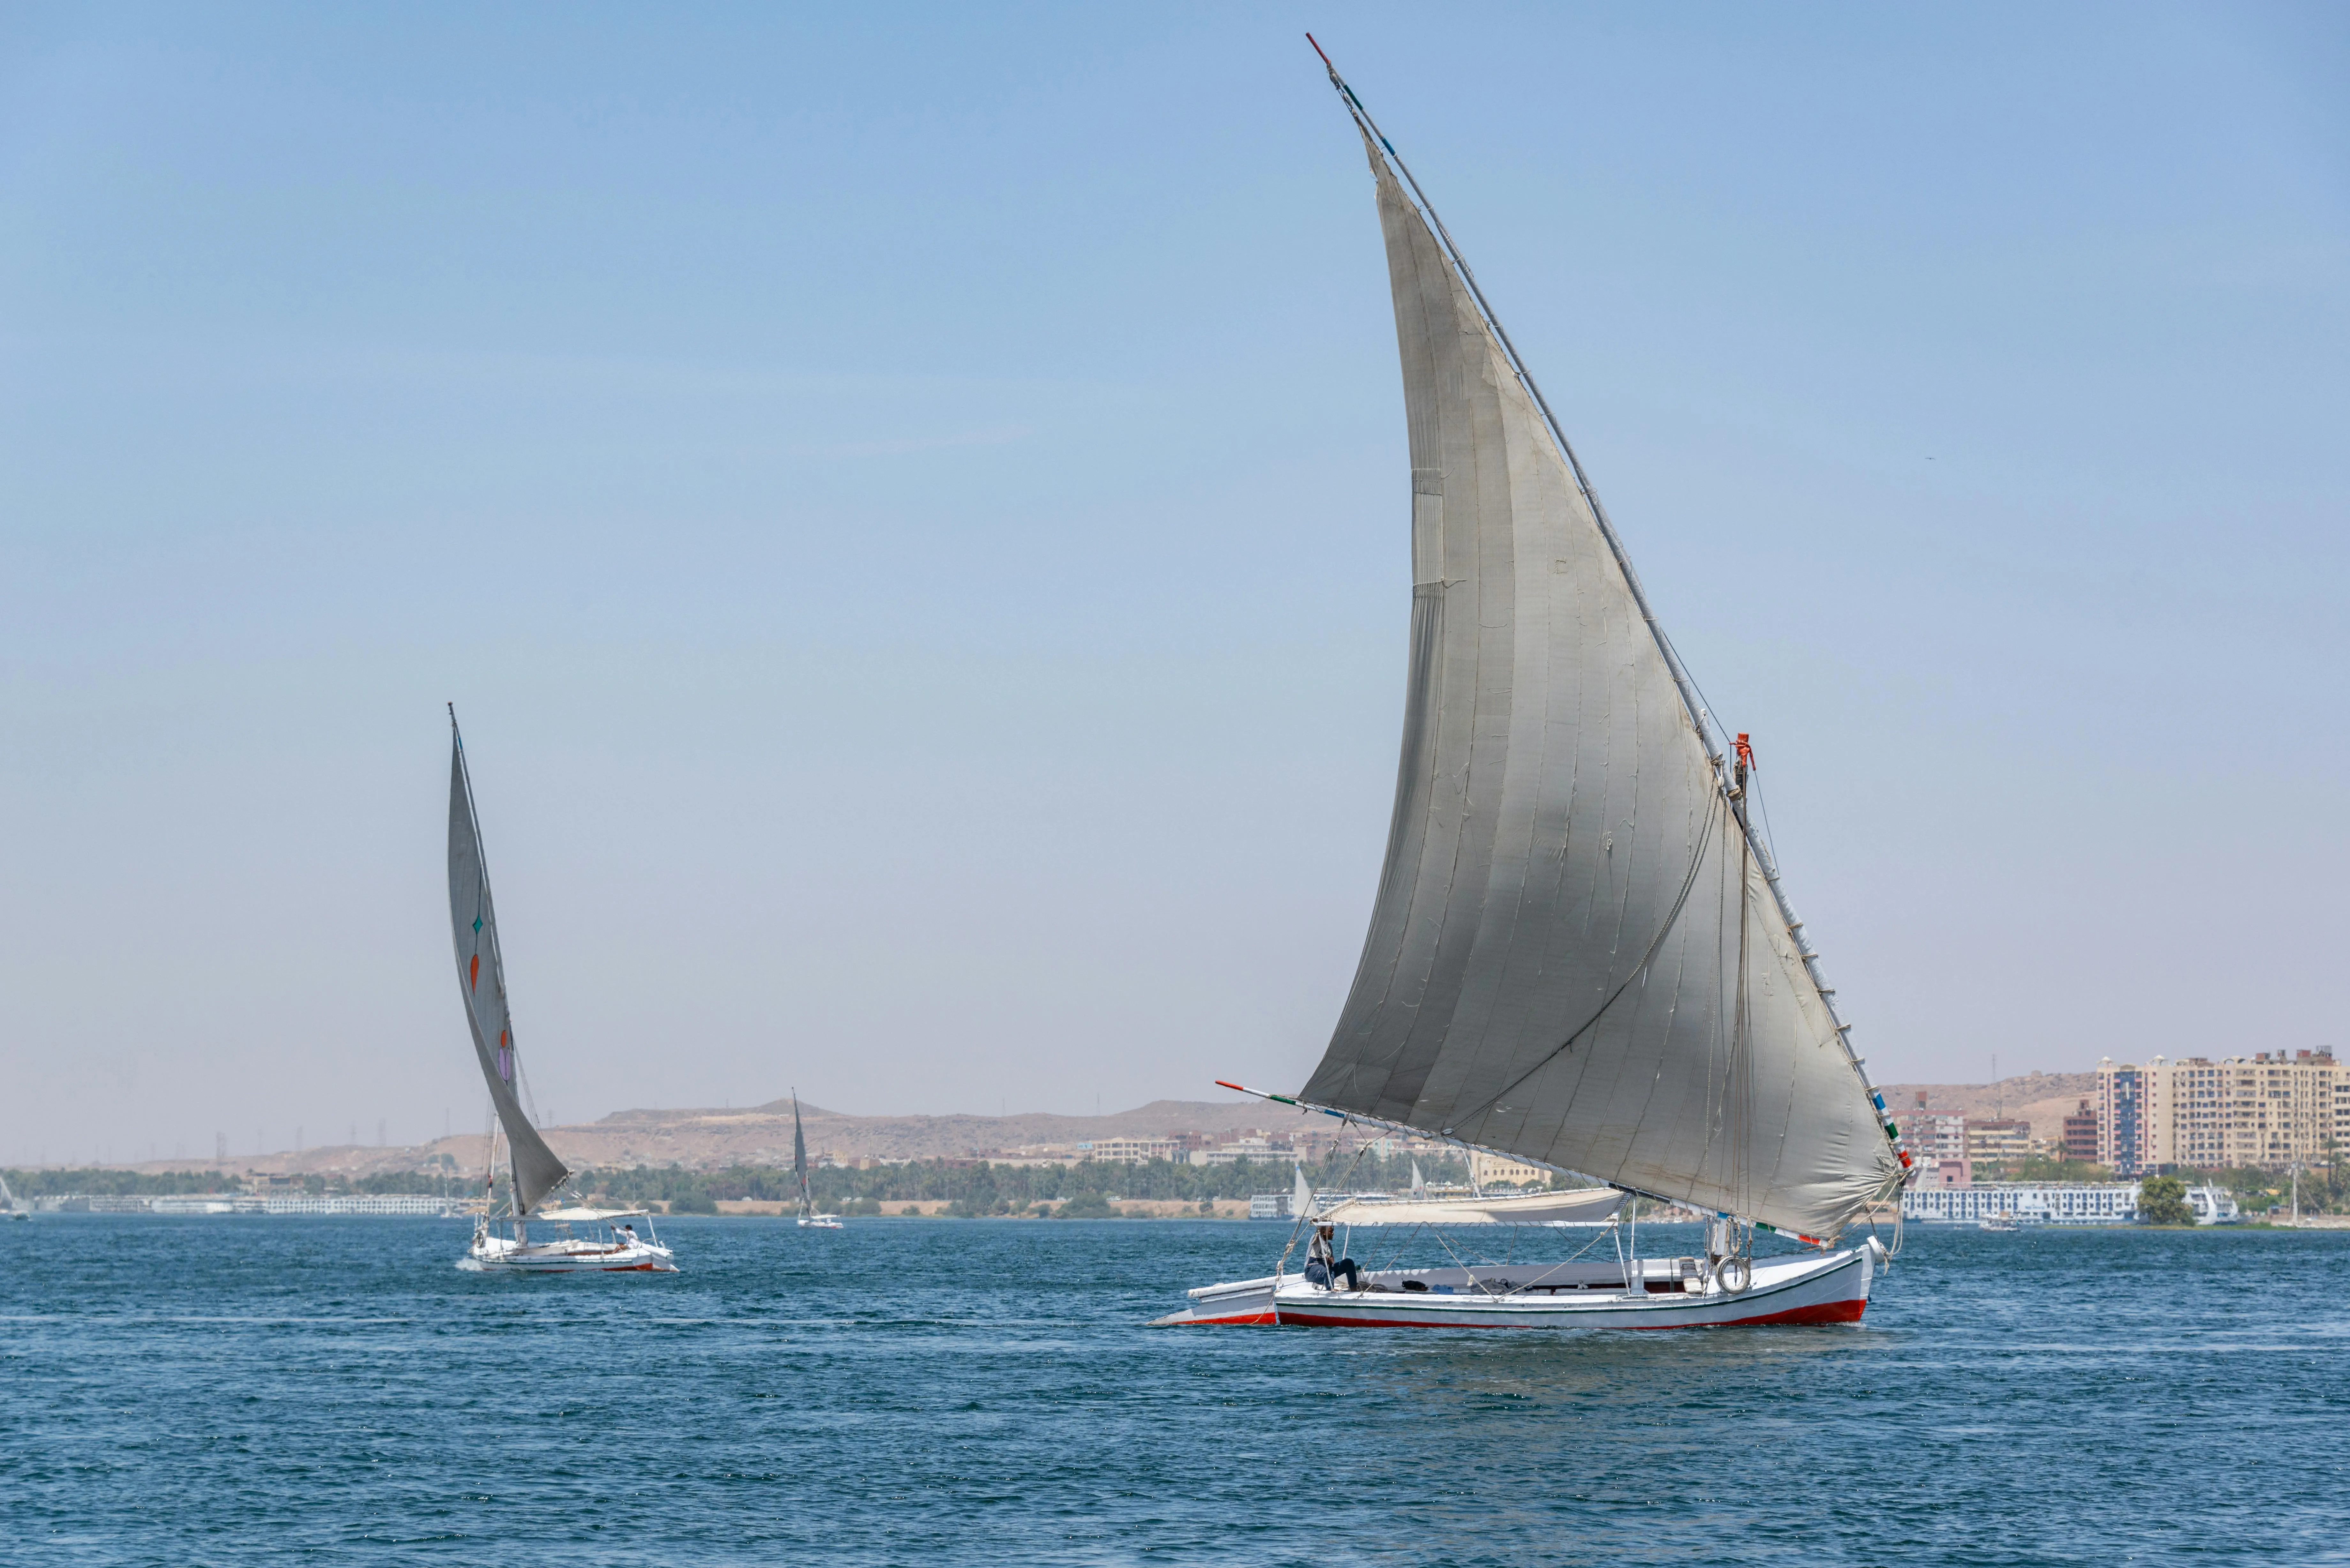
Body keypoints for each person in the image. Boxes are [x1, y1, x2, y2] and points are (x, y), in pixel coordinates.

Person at [1305, 1223, 1361, 1291]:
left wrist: (1330, 1261)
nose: (1333, 1234)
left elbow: (1332, 1261)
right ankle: (1330, 1289)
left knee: (1349, 1263)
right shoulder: (1317, 1240)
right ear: (1324, 1233)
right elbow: (1319, 1231)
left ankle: (1354, 1289)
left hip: (1325, 1269)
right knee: (1329, 1272)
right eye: (1331, 1232)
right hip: (1311, 1270)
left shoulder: (1329, 1247)